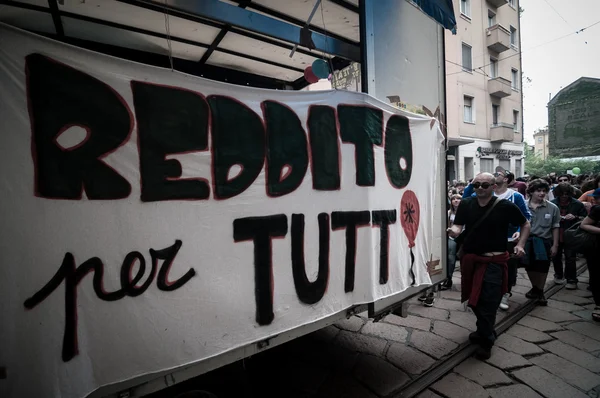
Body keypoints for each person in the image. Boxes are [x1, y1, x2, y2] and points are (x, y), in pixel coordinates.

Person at [447, 173, 530, 360]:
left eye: (484, 185)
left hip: (494, 261)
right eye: (476, 185)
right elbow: (458, 226)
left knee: (489, 301)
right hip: (471, 260)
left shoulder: (506, 206)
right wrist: (454, 231)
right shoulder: (467, 204)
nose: (480, 188)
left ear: (493, 186)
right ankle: (483, 330)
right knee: (473, 299)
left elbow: (525, 224)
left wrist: (521, 245)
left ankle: (486, 340)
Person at [463, 169, 531, 311]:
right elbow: (466, 199)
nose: (480, 187)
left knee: (508, 269)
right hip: (480, 244)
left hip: (507, 240)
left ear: (506, 179)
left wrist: (519, 238)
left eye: (498, 174)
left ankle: (505, 292)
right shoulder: (478, 197)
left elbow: (525, 219)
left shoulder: (515, 197)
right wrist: (474, 182)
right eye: (477, 185)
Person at [522, 179, 561, 306]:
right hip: (527, 240)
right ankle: (536, 288)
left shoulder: (552, 207)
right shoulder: (522, 205)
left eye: (544, 191)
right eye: (538, 191)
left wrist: (555, 245)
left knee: (543, 266)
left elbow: (555, 227)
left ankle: (540, 290)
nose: (541, 193)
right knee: (529, 265)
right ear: (531, 192)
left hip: (543, 241)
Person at [551, 183, 587, 289]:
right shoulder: (553, 204)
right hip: (556, 233)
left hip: (571, 234)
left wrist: (575, 217)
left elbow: (585, 218)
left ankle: (571, 279)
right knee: (556, 256)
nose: (564, 196)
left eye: (567, 194)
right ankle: (558, 275)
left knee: (570, 257)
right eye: (562, 194)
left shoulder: (577, 204)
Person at [580, 188, 600, 322]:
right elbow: (584, 225)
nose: (594, 200)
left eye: (597, 198)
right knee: (597, 276)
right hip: (596, 248)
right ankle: (598, 305)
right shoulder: (597, 210)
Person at [441, 194, 462, 290]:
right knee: (450, 259)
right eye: (453, 199)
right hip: (451, 238)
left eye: (458, 198)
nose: (456, 200)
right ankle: (448, 278)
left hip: (463, 238)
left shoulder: (466, 212)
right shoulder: (449, 213)